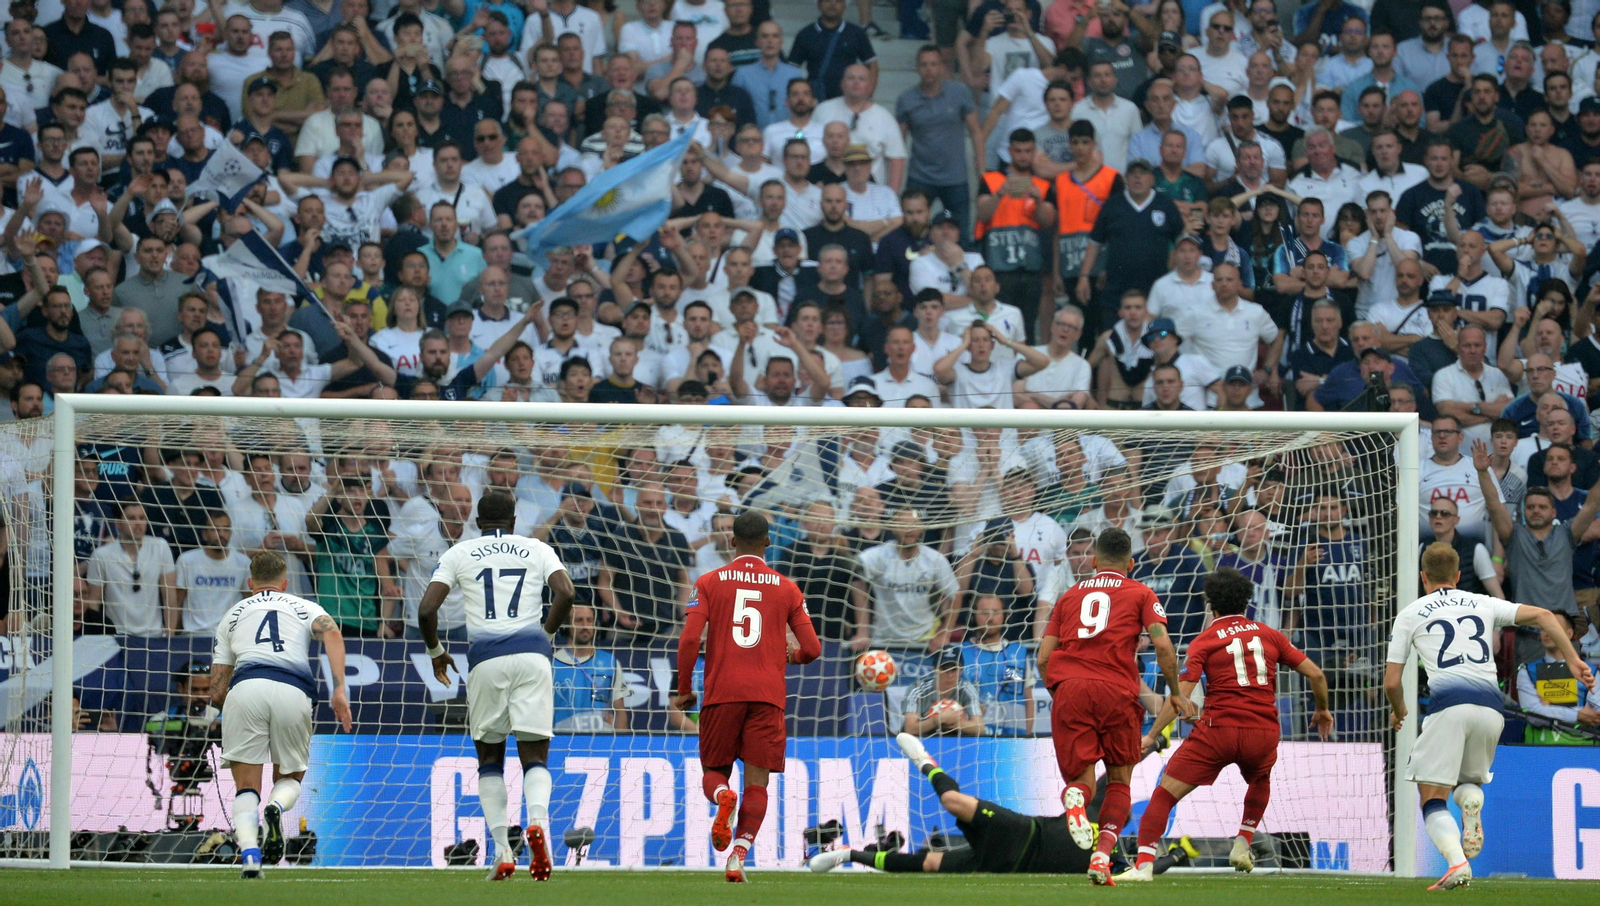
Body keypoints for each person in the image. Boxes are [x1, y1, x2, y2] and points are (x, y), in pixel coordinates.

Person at [1383, 543, 1595, 890]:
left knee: (1431, 796)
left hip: (1448, 707)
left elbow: (1392, 681)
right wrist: (1572, 660)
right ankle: (1472, 801)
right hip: (1491, 707)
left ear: (1423, 578)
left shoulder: (1411, 613)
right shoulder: (1482, 602)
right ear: (1457, 576)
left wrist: (1399, 708)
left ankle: (1456, 864)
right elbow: (1543, 615)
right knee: (1468, 781)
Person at [1121, 567, 1332, 880]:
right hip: (1263, 731)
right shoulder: (1271, 635)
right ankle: (1243, 841)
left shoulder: (1204, 642)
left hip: (1219, 730)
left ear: (1211, 606)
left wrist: (1152, 734)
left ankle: (1143, 866)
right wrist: (1323, 710)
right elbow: (1315, 674)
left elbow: (1179, 698)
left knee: (1165, 794)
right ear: (1246, 603)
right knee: (1260, 779)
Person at [418, 489, 577, 881]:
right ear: (514, 519)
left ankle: (504, 850)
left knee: (490, 759)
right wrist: (544, 633)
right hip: (532, 657)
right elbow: (567, 592)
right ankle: (537, 822)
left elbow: (426, 610)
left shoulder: (459, 553)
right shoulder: (536, 548)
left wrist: (437, 651)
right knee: (535, 756)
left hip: (485, 660)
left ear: (476, 520)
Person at [1037, 527, 1193, 884]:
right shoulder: (1141, 592)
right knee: (1121, 780)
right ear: (1131, 563)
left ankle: (1075, 799)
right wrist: (1173, 692)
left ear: (1092, 561)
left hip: (1071, 690)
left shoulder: (1070, 596)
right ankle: (1103, 856)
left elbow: (1044, 657)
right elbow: (1164, 647)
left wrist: (1060, 692)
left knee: (1081, 780)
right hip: (1117, 691)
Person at [673, 511, 820, 882]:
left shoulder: (708, 581)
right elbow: (813, 648)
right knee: (758, 783)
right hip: (768, 697)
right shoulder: (787, 588)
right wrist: (794, 655)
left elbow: (690, 639)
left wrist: (685, 690)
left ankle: (723, 796)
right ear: (768, 542)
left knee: (714, 772)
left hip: (722, 693)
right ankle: (738, 856)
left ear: (732, 541)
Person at [211, 551, 352, 878]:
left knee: (246, 786)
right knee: (290, 777)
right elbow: (331, 633)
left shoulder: (232, 614)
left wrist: (228, 710)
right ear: (285, 583)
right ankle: (276, 808)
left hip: (246, 688)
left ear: (250, 584)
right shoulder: (304, 606)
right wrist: (339, 688)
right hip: (293, 689)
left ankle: (249, 855)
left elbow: (218, 687)